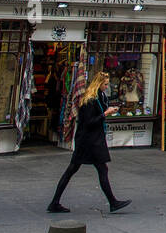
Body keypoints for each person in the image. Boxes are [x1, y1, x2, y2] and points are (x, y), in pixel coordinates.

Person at [47, 72, 131, 213]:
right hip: (89, 141)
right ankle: (112, 202)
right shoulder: (90, 100)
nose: (106, 86)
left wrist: (107, 111)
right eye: (105, 84)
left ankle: (55, 202)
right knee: (89, 169)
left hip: (92, 140)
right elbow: (88, 122)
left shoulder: (99, 97)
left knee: (80, 169)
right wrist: (105, 114)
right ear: (98, 84)